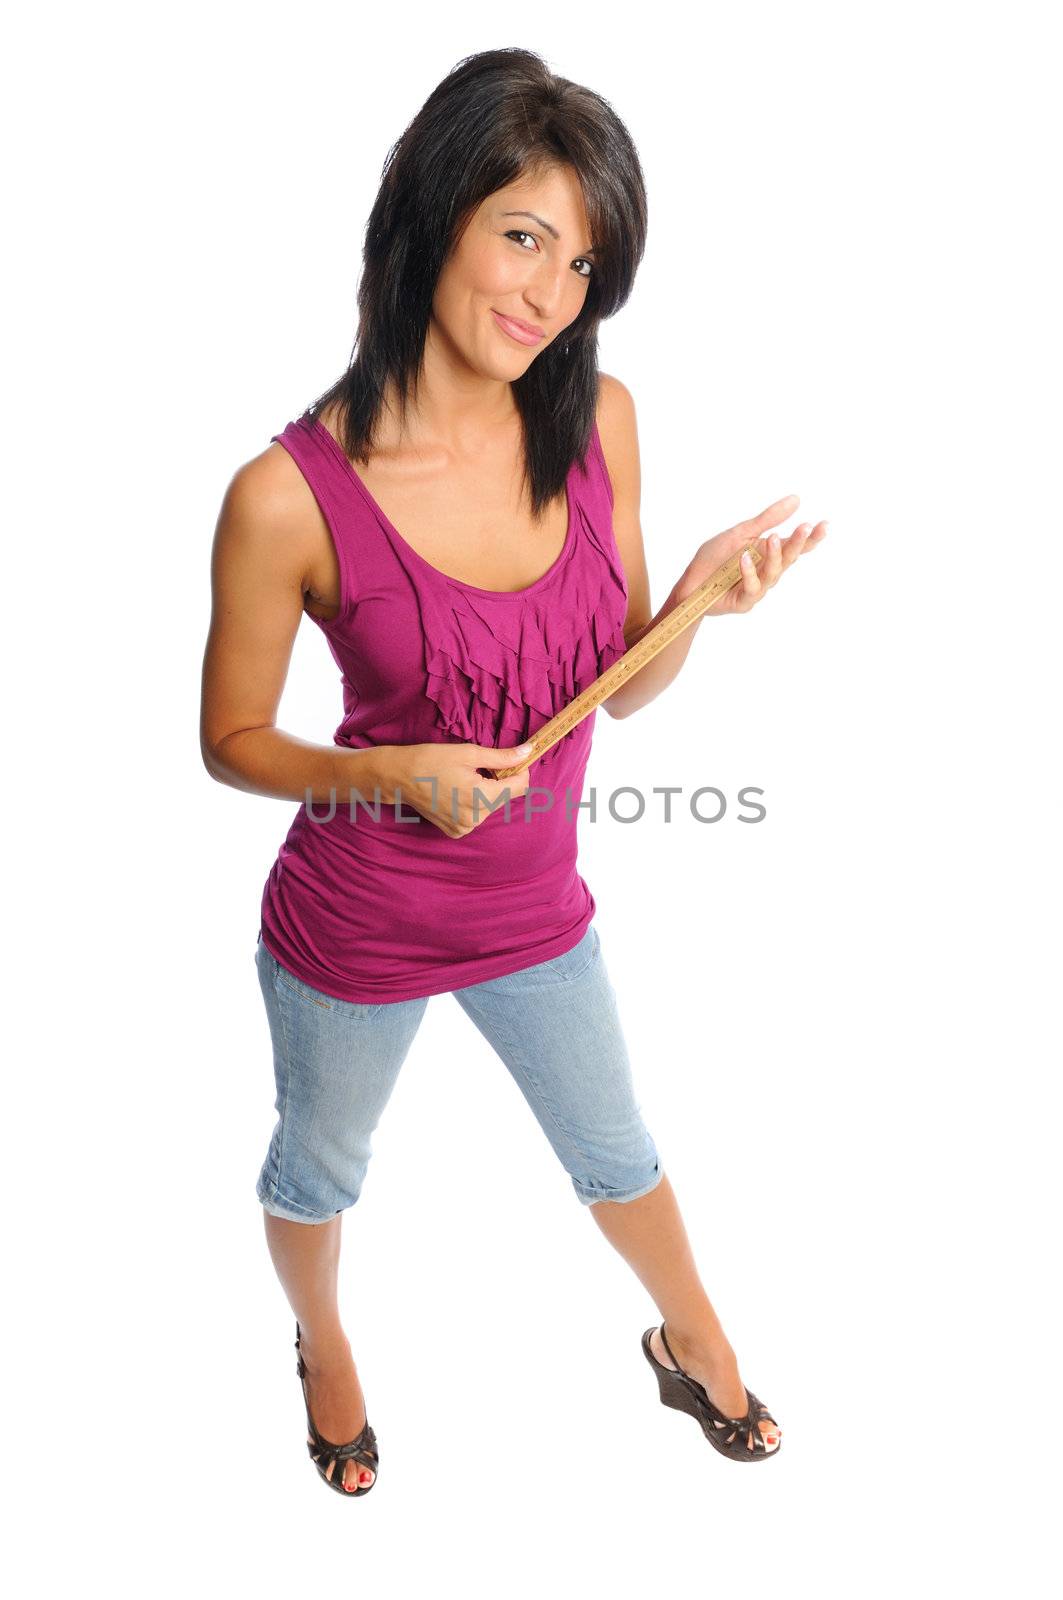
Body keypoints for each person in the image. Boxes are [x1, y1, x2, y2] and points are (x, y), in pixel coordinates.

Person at [201, 47, 825, 1496]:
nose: (548, 296)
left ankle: (698, 1342)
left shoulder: (600, 423)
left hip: (538, 909)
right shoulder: (286, 492)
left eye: (583, 262)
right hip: (357, 923)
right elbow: (230, 741)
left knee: (621, 1152)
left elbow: (631, 686)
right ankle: (325, 1343)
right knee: (319, 1172)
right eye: (523, 235)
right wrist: (391, 775)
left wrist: (695, 613)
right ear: (437, 212)